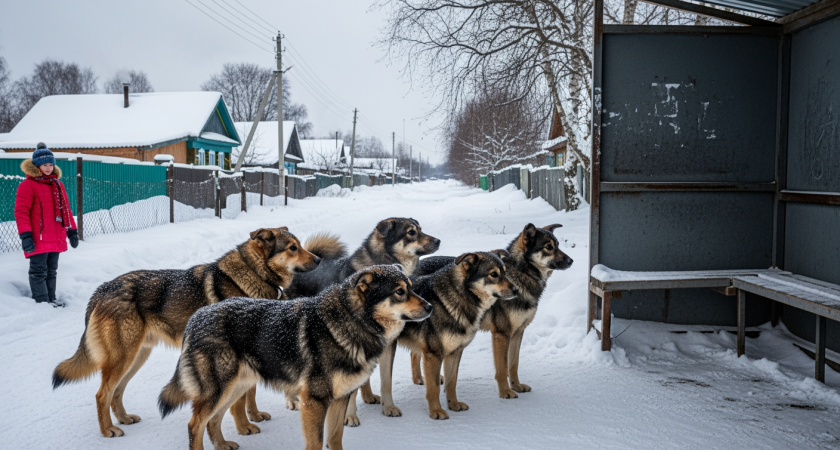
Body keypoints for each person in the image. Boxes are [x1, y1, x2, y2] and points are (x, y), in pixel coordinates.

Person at [14, 143, 79, 307]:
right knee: (38, 271)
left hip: (56, 235)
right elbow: (21, 212)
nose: (49, 168)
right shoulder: (27, 186)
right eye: (45, 165)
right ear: (37, 166)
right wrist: (26, 236)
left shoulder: (57, 184)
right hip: (38, 236)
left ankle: (51, 299)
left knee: (51, 271)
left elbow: (66, 209)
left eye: (51, 164)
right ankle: (42, 302)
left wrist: (72, 231)